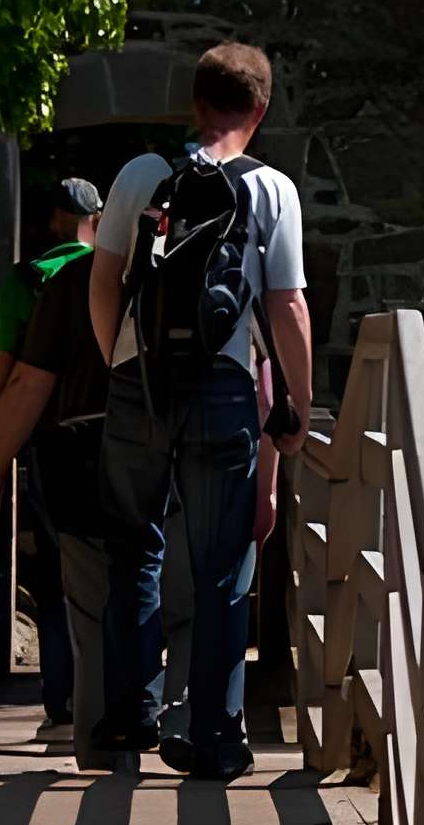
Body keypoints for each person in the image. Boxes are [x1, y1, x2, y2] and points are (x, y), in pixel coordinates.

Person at [88, 41, 311, 782]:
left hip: (137, 384)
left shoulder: (142, 176)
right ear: (260, 109)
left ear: (194, 103)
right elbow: (286, 307)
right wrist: (298, 408)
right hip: (222, 390)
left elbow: (105, 279)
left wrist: (120, 361)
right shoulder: (272, 189)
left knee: (133, 546)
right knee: (221, 568)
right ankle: (214, 736)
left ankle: (129, 717)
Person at [0, 251, 115, 767]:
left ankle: (65, 703)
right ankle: (140, 704)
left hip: (55, 446)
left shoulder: (30, 280)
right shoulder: (138, 266)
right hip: (139, 444)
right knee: (137, 575)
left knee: (57, 581)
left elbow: (6, 380)